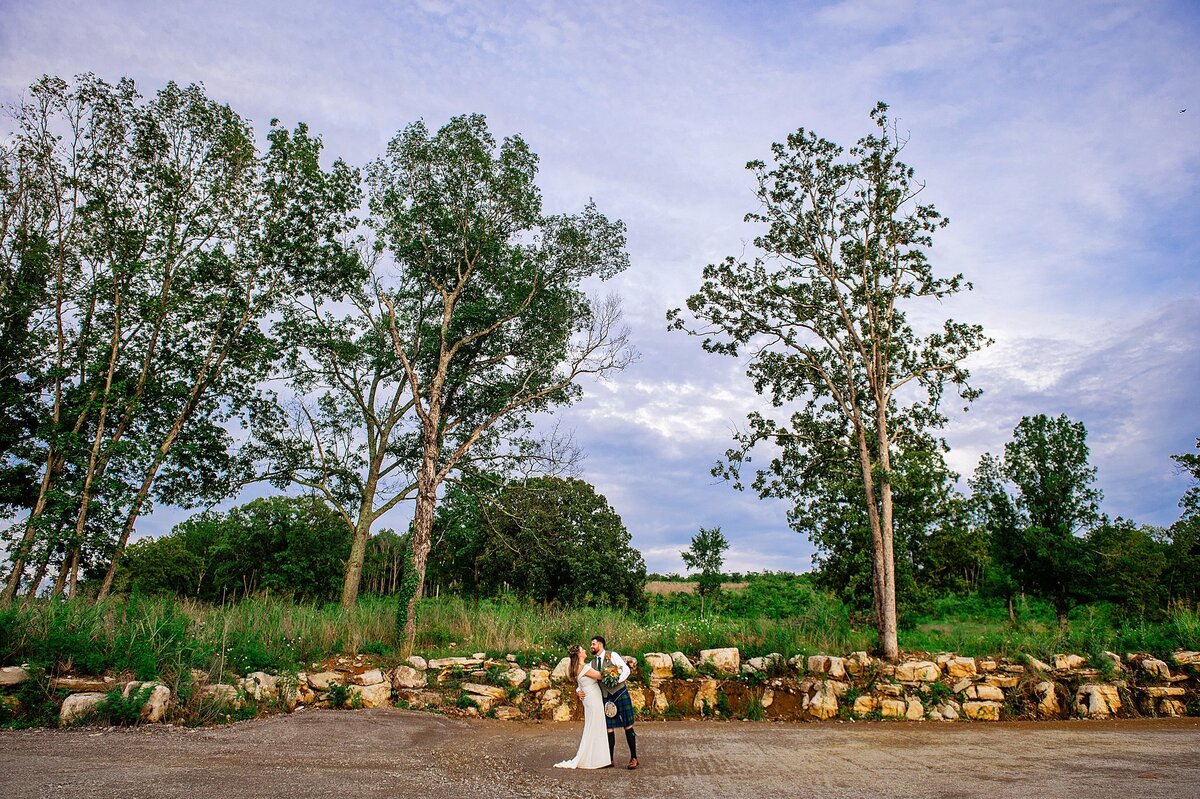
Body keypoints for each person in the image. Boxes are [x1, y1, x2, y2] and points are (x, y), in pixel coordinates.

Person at [553, 644, 612, 769]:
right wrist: (613, 671)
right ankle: (594, 759)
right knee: (596, 726)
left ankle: (597, 758)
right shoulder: (584, 668)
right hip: (593, 699)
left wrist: (577, 691)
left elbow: (580, 683)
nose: (585, 650)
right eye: (582, 650)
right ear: (579, 654)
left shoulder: (577, 667)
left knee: (593, 726)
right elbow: (601, 676)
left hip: (589, 698)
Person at [590, 635, 638, 769]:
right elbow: (585, 679)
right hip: (606, 697)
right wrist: (578, 690)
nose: (592, 647)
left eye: (593, 644)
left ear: (600, 644)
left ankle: (634, 757)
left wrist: (616, 680)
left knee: (628, 725)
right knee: (609, 729)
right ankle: (609, 759)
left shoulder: (612, 656)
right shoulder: (592, 663)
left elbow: (626, 670)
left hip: (620, 693)